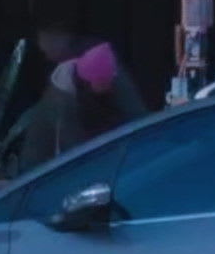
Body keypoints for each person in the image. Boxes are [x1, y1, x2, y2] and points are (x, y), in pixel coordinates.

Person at [15, 23, 150, 170]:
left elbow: (137, 116)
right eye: (101, 83)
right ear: (87, 81)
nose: (106, 85)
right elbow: (72, 150)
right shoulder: (62, 98)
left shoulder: (112, 73)